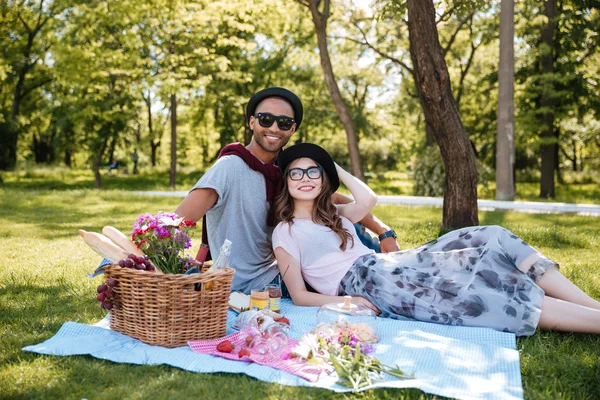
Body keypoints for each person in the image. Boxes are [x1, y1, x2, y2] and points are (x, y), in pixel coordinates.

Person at [272, 143, 600, 336]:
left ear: (323, 179)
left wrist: (333, 167)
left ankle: (592, 307)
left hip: (389, 265)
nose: (305, 178)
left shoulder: (335, 215)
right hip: (370, 285)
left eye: (313, 171)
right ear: (286, 181)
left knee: (494, 236)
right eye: (296, 172)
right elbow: (299, 296)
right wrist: (347, 302)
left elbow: (368, 198)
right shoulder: (285, 231)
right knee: (479, 294)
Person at [174, 87, 399, 294]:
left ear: (292, 129)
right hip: (257, 283)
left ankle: (396, 273)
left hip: (287, 268)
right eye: (266, 119)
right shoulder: (229, 167)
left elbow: (335, 202)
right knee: (372, 272)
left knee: (345, 229)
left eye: (283, 123)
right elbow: (175, 224)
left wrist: (383, 231)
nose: (273, 128)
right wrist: (159, 275)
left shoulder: (290, 170)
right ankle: (392, 281)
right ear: (252, 123)